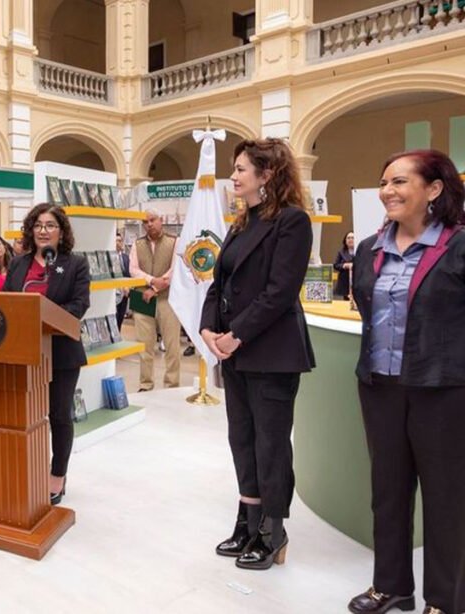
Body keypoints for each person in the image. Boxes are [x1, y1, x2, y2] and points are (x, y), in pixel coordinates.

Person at [347, 150, 465, 614]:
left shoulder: (458, 245)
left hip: (444, 389)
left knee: (446, 498)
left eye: (399, 182)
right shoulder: (368, 249)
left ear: (433, 190)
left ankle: (444, 600)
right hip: (380, 387)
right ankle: (391, 586)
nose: (387, 191)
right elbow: (365, 305)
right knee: (388, 492)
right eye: (383, 182)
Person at [200, 138, 314, 571]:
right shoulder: (240, 222)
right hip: (235, 352)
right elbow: (219, 282)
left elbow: (279, 293)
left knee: (271, 445)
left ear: (267, 176)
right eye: (234, 169)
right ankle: (248, 519)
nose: (233, 177)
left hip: (271, 352)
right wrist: (210, 327)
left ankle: (273, 529)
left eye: (241, 169)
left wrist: (236, 335)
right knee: (241, 439)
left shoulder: (292, 221)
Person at [3, 203, 90, 504]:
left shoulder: (75, 264)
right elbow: (6, 303)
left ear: (61, 231)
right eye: (38, 224)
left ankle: (57, 475)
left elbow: (79, 306)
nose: (43, 230)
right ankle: (26, 468)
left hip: (62, 353)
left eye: (50, 225)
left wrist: (41, 318)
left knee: (59, 416)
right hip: (22, 351)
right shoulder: (18, 263)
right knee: (25, 415)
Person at [129, 209, 181, 392]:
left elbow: (175, 271)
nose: (149, 224)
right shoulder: (137, 244)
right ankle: (145, 384)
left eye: (152, 220)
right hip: (140, 298)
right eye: (145, 222)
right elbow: (133, 269)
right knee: (144, 346)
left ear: (162, 219)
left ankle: (172, 385)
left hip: (168, 299)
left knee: (172, 345)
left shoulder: (175, 242)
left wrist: (156, 289)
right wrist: (151, 281)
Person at [114, 230, 131, 330]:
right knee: (114, 318)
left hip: (124, 294)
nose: (118, 243)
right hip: (114, 293)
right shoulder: (110, 258)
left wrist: (128, 287)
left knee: (120, 317)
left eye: (120, 240)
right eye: (116, 240)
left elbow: (129, 274)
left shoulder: (126, 258)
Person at [333, 230, 355, 300]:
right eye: (348, 238)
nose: (350, 239)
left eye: (352, 238)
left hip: (356, 281)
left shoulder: (359, 251)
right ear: (345, 240)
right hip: (345, 282)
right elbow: (336, 265)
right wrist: (344, 265)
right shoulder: (341, 252)